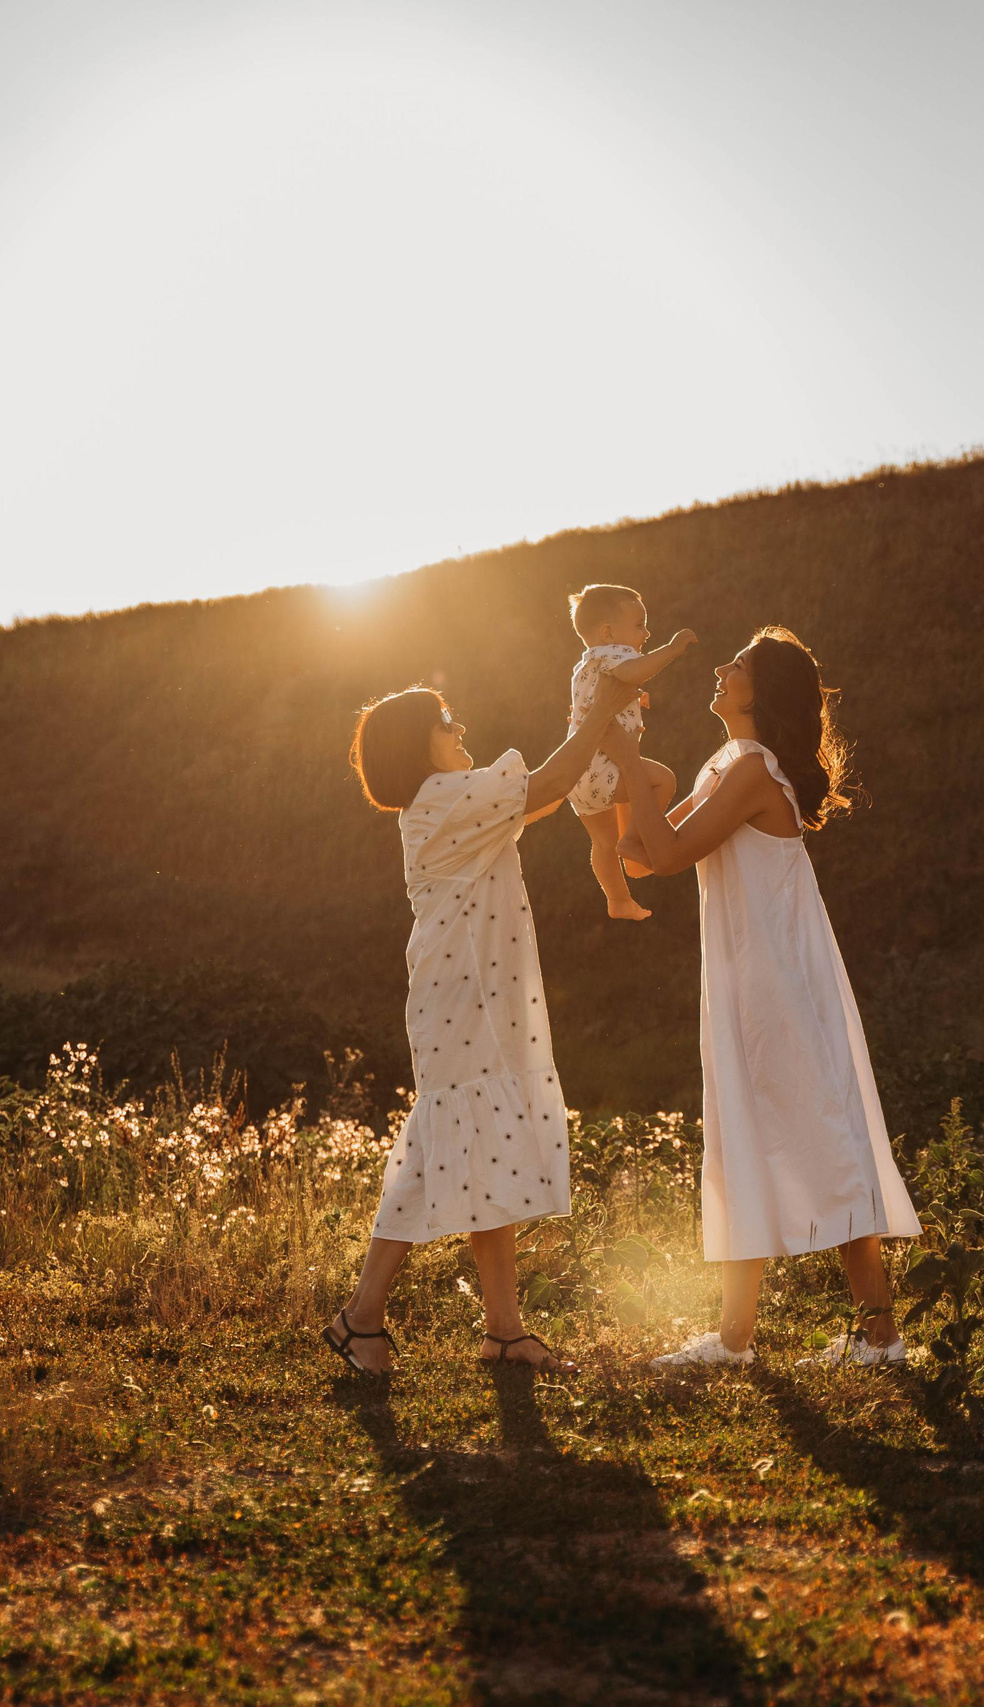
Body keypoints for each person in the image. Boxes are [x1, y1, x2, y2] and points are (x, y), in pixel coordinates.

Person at [603, 627, 922, 1368]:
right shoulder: (726, 763)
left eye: (736, 665)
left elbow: (672, 853)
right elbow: (646, 855)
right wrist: (631, 783)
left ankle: (882, 1339)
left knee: (823, 1136)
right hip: (747, 978)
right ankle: (735, 1337)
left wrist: (627, 766)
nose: (719, 669)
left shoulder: (753, 767)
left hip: (780, 980)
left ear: (762, 692)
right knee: (743, 1130)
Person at [328, 668, 642, 1375]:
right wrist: (601, 707)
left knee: (482, 1140)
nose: (461, 729)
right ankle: (362, 1315)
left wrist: (592, 724)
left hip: (476, 997)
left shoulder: (454, 800)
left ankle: (501, 1330)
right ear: (419, 747)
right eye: (447, 721)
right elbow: (552, 782)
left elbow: (545, 793)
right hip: (460, 999)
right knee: (442, 1143)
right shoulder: (440, 800)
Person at [559, 583, 695, 920]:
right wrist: (671, 650)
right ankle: (634, 842)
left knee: (602, 843)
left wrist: (634, 698)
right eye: (639, 625)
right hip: (604, 766)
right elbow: (635, 671)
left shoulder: (586, 665)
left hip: (579, 773)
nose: (646, 633)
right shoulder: (616, 653)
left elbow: (603, 696)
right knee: (662, 781)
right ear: (608, 632)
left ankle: (617, 899)